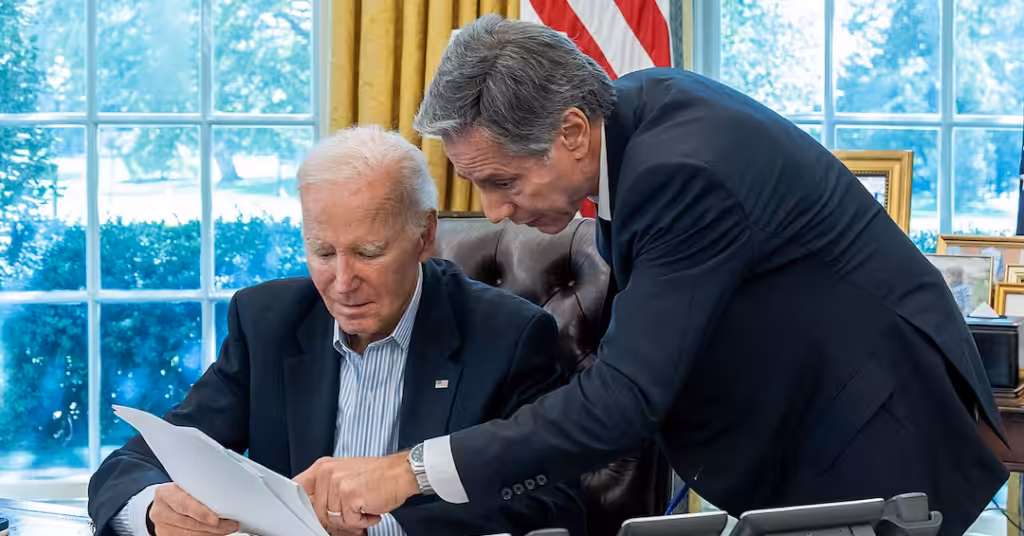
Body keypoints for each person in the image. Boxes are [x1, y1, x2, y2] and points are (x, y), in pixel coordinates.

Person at [306, 15, 1009, 536]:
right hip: (815, 423)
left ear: (573, 132)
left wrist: (410, 470)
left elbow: (622, 401)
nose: (496, 213)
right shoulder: (636, 114)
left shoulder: (681, 173)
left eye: (503, 180)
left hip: (876, 435)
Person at [86, 125, 585, 536]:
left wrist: (381, 525)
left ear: (425, 235)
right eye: (323, 252)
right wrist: (153, 510)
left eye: (368, 253)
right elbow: (134, 463)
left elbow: (550, 502)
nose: (342, 283)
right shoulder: (268, 321)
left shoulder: (509, 336)